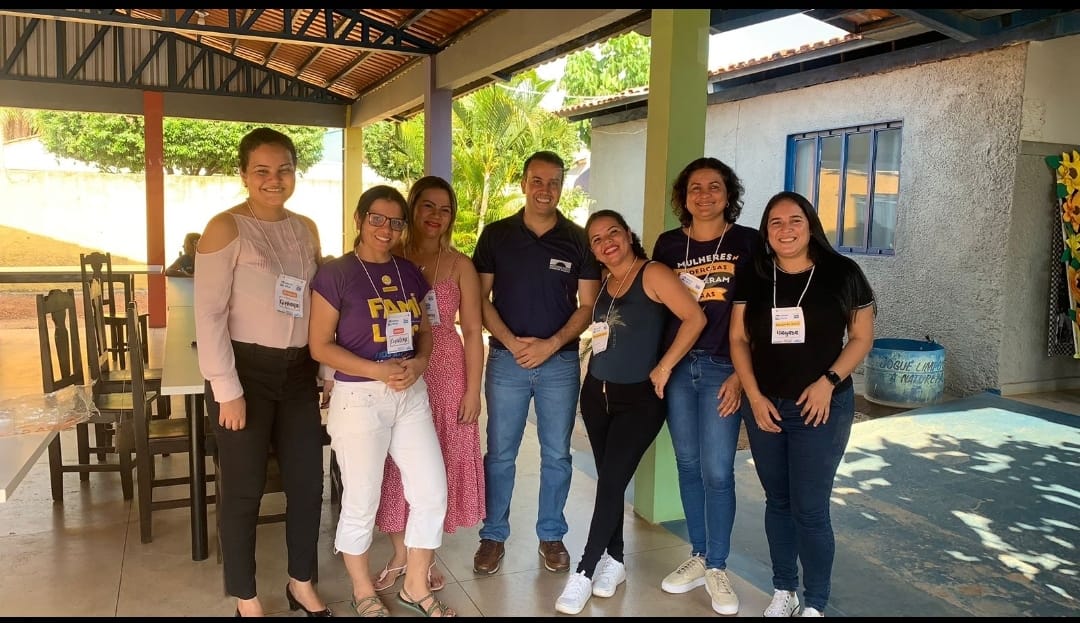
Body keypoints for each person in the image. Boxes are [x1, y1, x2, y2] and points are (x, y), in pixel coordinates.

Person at [193, 127, 331, 617]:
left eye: (285, 169)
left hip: (297, 374)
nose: (275, 180)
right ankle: (246, 596)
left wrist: (325, 375)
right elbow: (207, 315)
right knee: (244, 488)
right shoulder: (225, 227)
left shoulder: (305, 228)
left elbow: (318, 307)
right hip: (243, 374)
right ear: (244, 175)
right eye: (263, 171)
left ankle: (301, 582)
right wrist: (226, 390)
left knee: (307, 483)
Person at [308, 185, 454, 618]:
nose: (386, 229)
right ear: (359, 219)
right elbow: (319, 345)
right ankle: (362, 589)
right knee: (361, 499)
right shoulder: (335, 274)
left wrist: (421, 362)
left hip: (410, 394)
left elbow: (426, 329)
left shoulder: (411, 274)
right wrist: (376, 370)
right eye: (377, 218)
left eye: (395, 222)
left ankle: (414, 585)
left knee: (431, 491)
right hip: (359, 397)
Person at [729, 191, 875, 617]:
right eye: (775, 222)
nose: (786, 229)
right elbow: (738, 338)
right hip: (766, 407)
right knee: (778, 502)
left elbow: (862, 337)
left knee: (810, 509)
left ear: (810, 224)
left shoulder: (842, 272)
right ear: (766, 231)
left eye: (795, 220)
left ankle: (816, 601)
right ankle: (784, 590)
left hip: (821, 408)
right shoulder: (755, 274)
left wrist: (829, 381)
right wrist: (753, 396)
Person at [554, 210, 706, 615]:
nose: (607, 242)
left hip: (639, 399)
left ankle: (584, 571)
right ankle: (616, 561)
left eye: (613, 233)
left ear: (628, 235)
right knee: (610, 481)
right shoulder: (605, 283)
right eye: (598, 239)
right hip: (597, 395)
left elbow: (695, 317)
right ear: (594, 250)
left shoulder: (652, 273)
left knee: (611, 482)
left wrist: (665, 365)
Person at [470, 151, 601, 576]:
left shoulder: (579, 239)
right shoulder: (496, 235)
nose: (545, 189)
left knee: (557, 455)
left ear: (562, 187)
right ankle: (493, 535)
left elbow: (587, 306)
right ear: (523, 183)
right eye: (537, 180)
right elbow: (478, 300)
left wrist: (551, 345)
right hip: (507, 362)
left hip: (560, 364)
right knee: (500, 454)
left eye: (553, 182)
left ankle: (551, 534)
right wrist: (510, 341)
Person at [650, 156, 758, 615]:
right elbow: (655, 304)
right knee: (689, 467)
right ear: (684, 196)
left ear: (728, 194)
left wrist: (741, 372)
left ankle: (718, 565)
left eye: (715, 187)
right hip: (677, 367)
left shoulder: (749, 243)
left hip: (721, 367)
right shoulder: (669, 245)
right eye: (696, 188)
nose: (705, 195)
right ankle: (697, 554)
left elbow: (759, 312)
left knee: (718, 471)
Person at [370, 175, 486, 594]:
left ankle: (423, 556)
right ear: (412, 208)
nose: (436, 216)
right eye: (427, 206)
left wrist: (473, 390)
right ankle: (400, 551)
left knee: (436, 466)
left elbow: (472, 331)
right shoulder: (388, 256)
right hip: (394, 368)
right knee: (393, 463)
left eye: (445, 209)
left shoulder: (459, 265)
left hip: (446, 371)